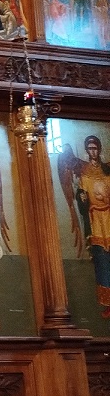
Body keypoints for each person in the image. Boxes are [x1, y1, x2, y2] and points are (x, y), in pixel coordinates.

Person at [74, 135, 110, 317]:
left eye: (95, 148)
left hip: (109, 217)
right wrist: (82, 198)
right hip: (96, 220)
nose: (93, 151)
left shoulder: (106, 170)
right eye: (90, 148)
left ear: (99, 149)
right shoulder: (85, 172)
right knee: (102, 262)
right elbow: (82, 196)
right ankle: (107, 303)